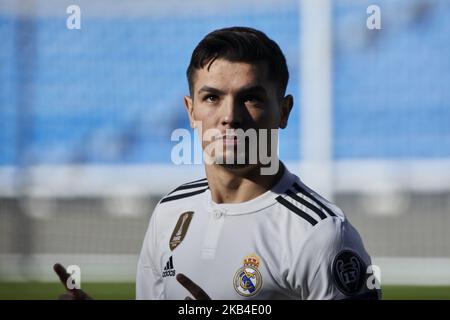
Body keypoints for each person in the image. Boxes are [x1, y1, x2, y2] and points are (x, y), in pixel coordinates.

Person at [54, 26, 380, 300]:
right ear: (190, 110)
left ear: (283, 111)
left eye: (250, 98)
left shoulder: (321, 234)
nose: (229, 117)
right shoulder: (170, 212)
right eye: (212, 98)